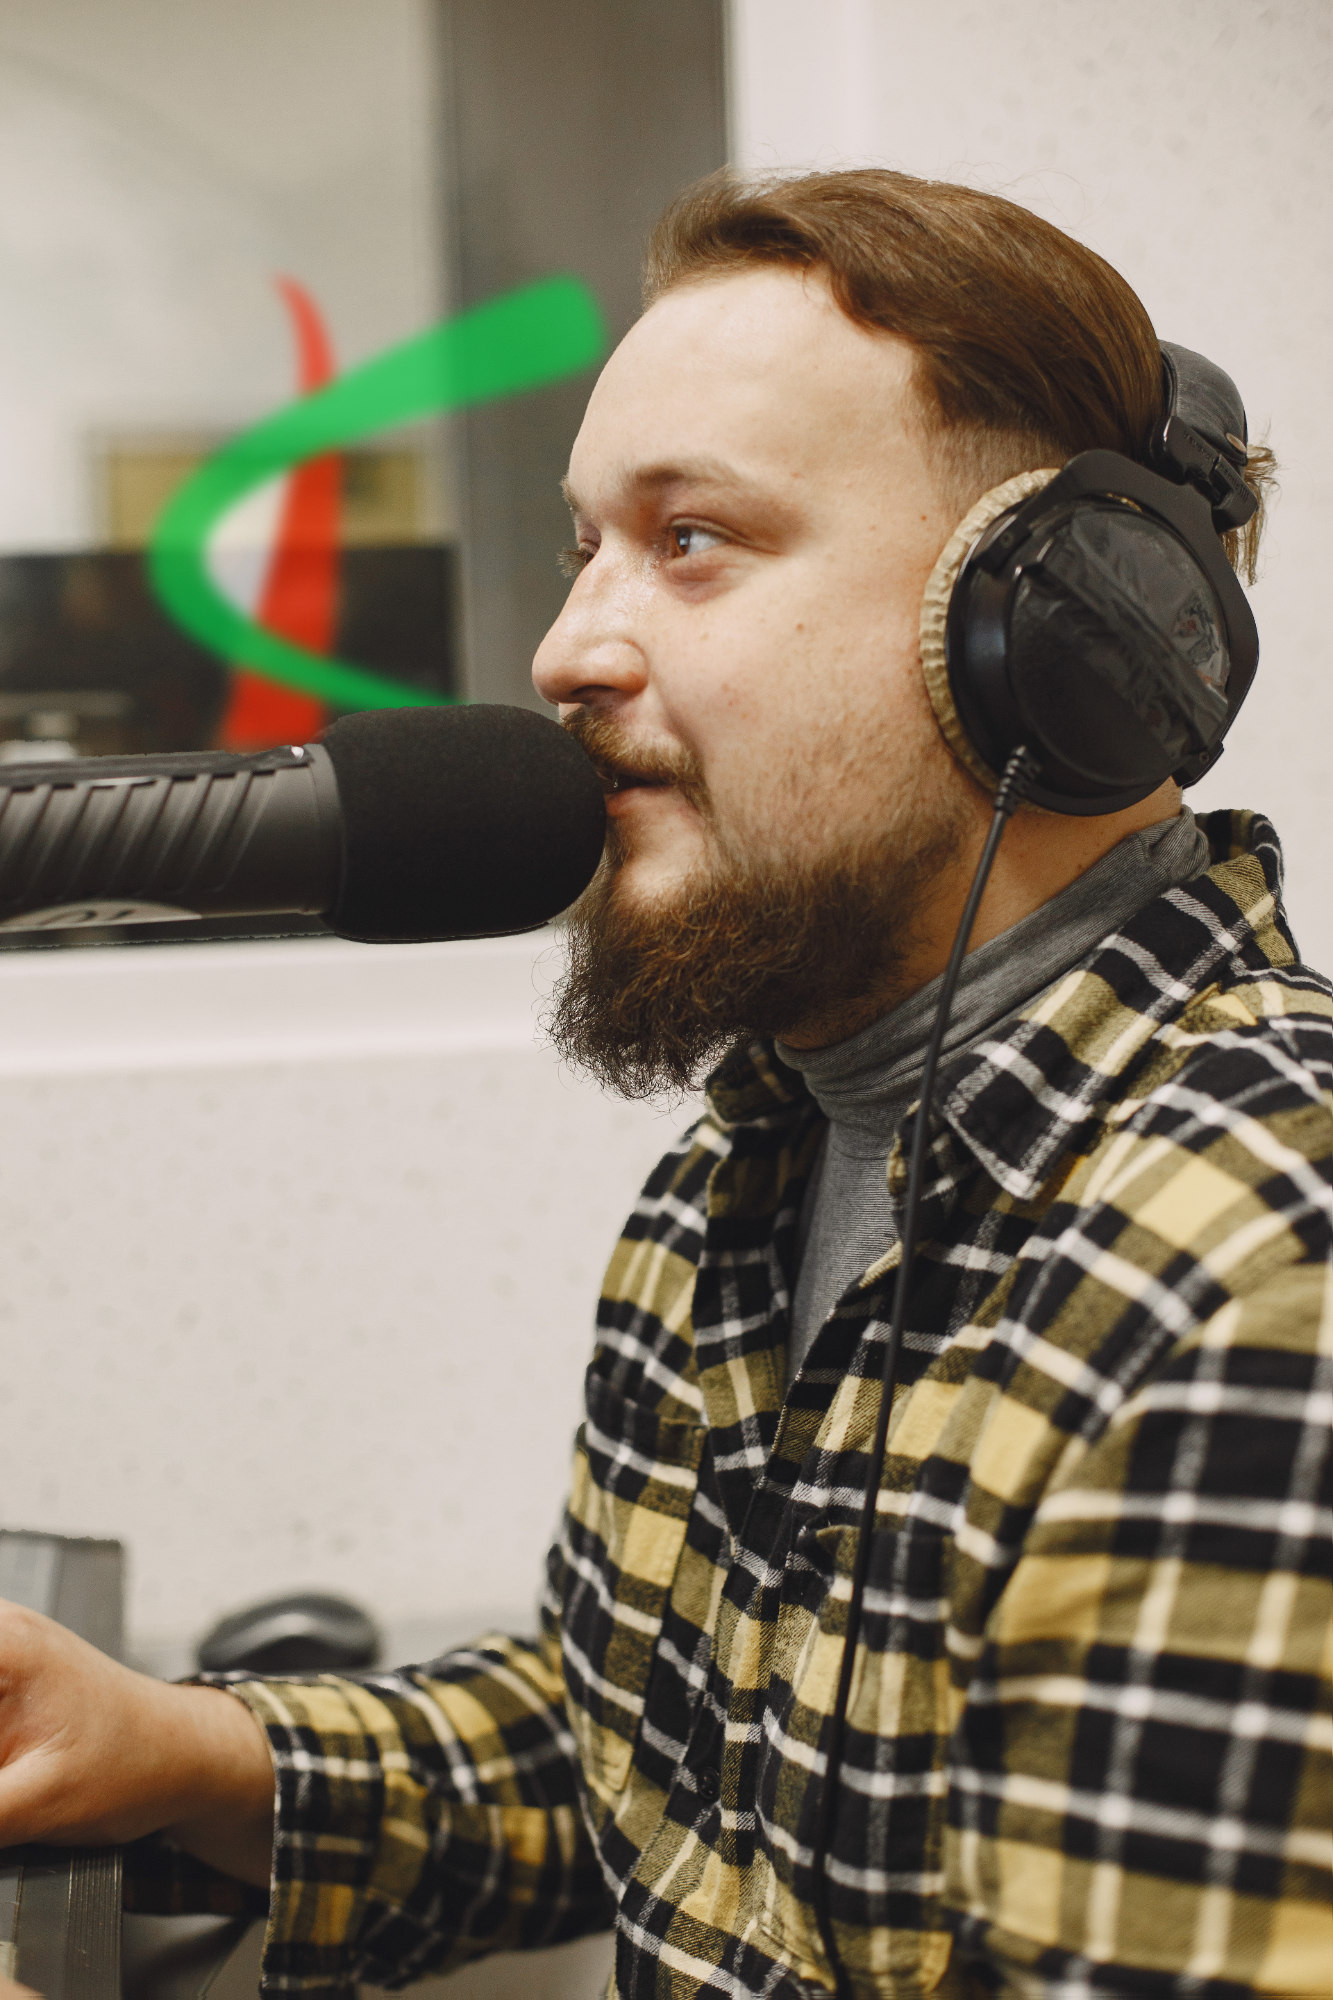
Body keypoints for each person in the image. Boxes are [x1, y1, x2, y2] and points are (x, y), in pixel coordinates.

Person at [0, 171, 1328, 2000]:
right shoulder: (760, 1158)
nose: (567, 652)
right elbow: (653, 1747)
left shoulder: (1258, 1285)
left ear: (1053, 635)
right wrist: (181, 1748)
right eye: (581, 550)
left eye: (691, 539)